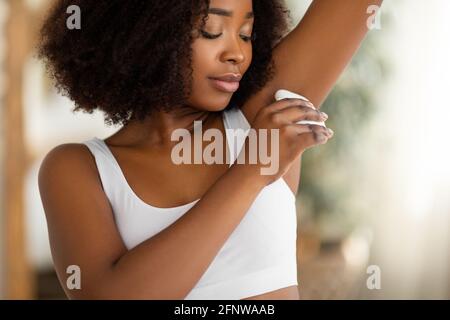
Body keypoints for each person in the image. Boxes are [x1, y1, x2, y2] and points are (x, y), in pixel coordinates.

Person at [37, 0, 382, 299]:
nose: (237, 53)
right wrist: (251, 173)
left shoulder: (259, 114)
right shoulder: (78, 169)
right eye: (212, 31)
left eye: (246, 34)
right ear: (146, 33)